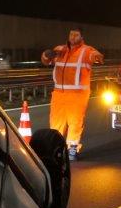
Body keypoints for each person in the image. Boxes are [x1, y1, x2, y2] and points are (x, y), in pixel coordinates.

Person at [40, 29, 104, 160]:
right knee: (56, 122)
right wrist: (46, 55)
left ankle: (72, 149)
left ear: (82, 37)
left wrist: (97, 56)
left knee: (75, 121)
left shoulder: (86, 51)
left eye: (76, 35)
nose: (73, 37)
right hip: (59, 93)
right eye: (71, 34)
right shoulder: (59, 49)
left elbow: (97, 58)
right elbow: (46, 61)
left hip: (78, 94)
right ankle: (55, 147)